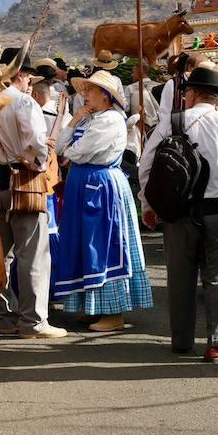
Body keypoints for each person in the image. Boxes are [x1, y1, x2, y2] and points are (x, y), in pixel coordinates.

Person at [140, 67, 218, 361]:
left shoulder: (172, 124)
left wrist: (149, 205)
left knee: (180, 278)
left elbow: (147, 166)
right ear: (217, 96)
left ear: (191, 94)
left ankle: (181, 341)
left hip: (178, 212)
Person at [53, 70, 153, 331]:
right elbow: (59, 147)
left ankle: (113, 313)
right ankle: (91, 306)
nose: (87, 94)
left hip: (101, 187)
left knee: (104, 245)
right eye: (86, 90)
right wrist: (74, 121)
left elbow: (79, 152)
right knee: (83, 243)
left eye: (93, 90)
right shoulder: (89, 119)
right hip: (83, 185)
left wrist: (70, 150)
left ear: (107, 97)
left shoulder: (110, 120)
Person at [0, 47, 67, 340]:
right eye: (28, 77)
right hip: (24, 180)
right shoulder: (24, 103)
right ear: (21, 75)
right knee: (33, 254)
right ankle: (33, 321)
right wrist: (37, 162)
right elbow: (36, 143)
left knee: (1, 256)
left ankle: (5, 315)